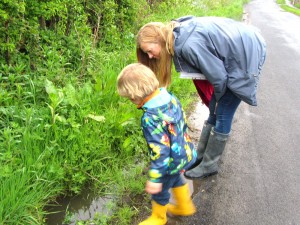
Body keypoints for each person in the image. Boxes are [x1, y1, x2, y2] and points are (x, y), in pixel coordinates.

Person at [136, 15, 266, 180]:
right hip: (239, 47)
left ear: (159, 41)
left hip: (246, 54)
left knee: (223, 112)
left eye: (149, 50)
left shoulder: (187, 46)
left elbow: (219, 79)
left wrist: (218, 101)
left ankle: (209, 164)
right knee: (214, 109)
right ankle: (201, 156)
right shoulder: (174, 34)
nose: (149, 56)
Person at [117, 63, 197, 225]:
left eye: (130, 98)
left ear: (135, 97)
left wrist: (154, 178)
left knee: (160, 190)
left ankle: (159, 218)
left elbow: (160, 151)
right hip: (185, 152)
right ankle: (185, 206)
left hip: (169, 162)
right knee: (174, 179)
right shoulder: (170, 98)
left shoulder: (150, 118)